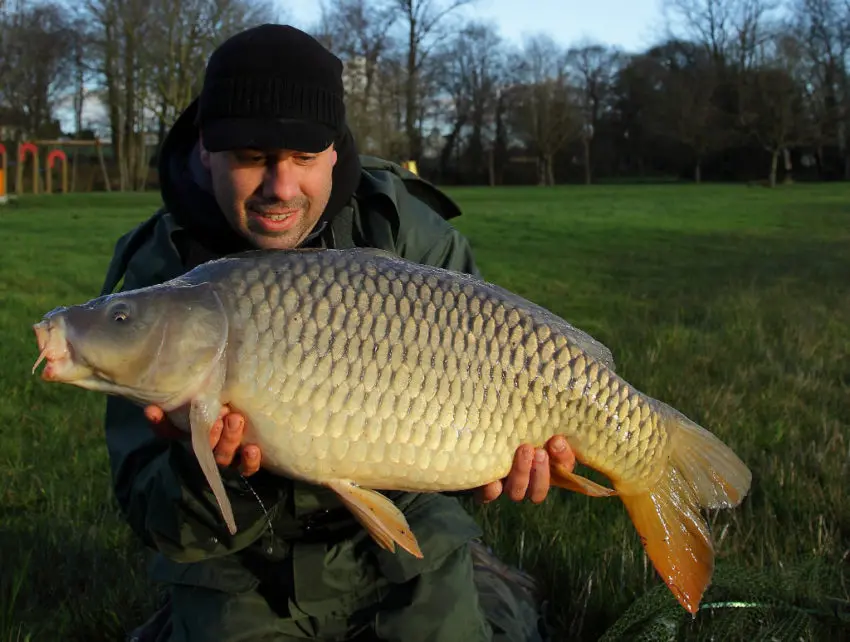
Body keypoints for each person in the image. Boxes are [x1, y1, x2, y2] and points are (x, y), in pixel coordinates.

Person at [100, 23, 576, 642]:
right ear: (206, 150)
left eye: (303, 158)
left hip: (406, 539)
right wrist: (211, 473)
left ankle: (481, 582)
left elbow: (483, 411)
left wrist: (500, 459)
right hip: (240, 562)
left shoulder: (407, 232)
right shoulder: (156, 282)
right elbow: (152, 514)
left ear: (333, 149)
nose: (282, 188)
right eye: (253, 159)